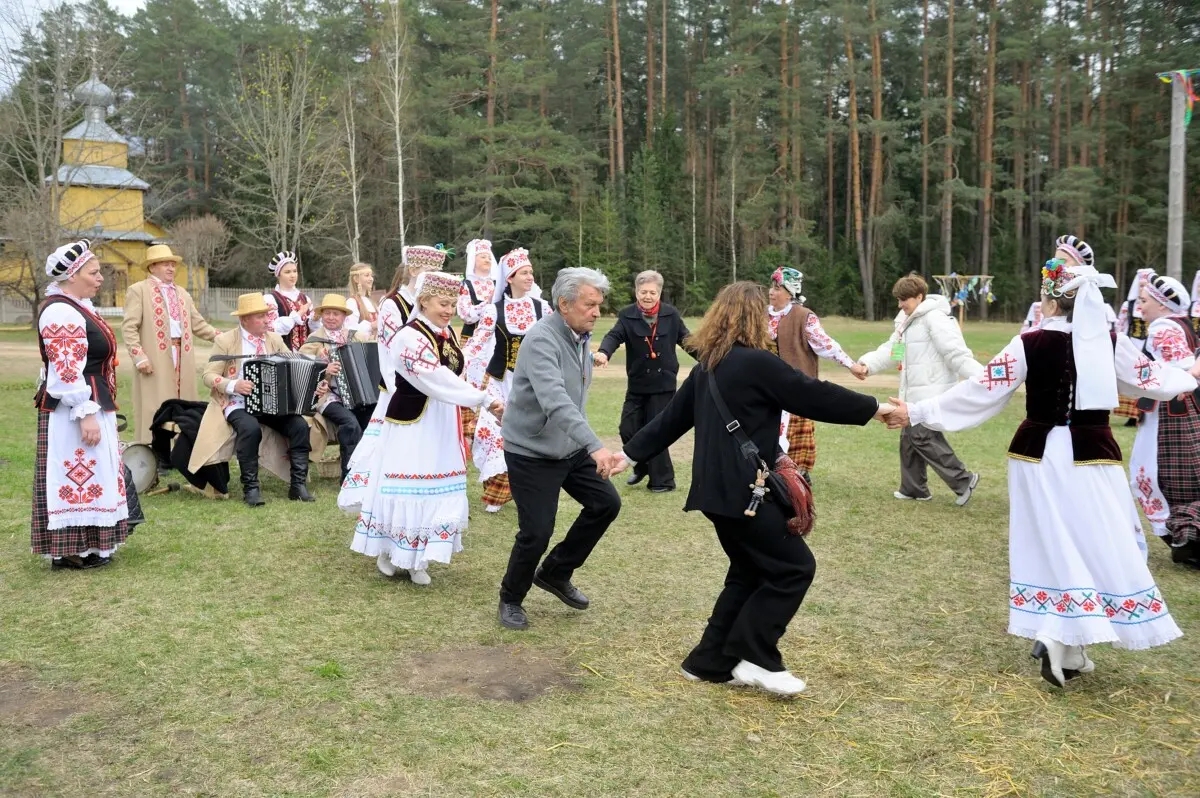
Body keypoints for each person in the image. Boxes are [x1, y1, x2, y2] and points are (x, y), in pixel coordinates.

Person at [885, 259, 1193, 688]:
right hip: (1092, 454)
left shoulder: (1028, 341)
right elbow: (1153, 379)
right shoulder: (1108, 341)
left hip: (1035, 454)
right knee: (1096, 539)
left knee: (1052, 541)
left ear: (1050, 300)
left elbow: (982, 391)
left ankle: (1064, 640)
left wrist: (917, 410)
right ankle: (1062, 639)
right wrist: (1188, 373)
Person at [612, 282, 891, 697]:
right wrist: (877, 407)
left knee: (747, 573)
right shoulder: (758, 363)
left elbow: (670, 420)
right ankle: (756, 655)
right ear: (754, 317)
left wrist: (629, 454)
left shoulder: (708, 364)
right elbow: (813, 395)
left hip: (714, 493)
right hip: (747, 493)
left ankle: (709, 662)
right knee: (793, 569)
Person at [347, 272, 504, 586]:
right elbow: (434, 378)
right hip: (413, 423)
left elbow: (454, 376)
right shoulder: (409, 336)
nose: (448, 310)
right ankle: (390, 552)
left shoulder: (444, 335)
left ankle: (419, 558)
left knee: (436, 487)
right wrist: (482, 398)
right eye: (442, 303)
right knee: (408, 485)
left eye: (452, 304)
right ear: (424, 301)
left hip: (441, 421)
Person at [497, 267, 621, 631]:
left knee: (606, 503)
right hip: (531, 451)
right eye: (589, 304)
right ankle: (510, 598)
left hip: (568, 449)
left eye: (599, 304)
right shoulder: (541, 340)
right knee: (537, 531)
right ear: (564, 304)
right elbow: (556, 401)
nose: (597, 312)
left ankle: (554, 572)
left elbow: (575, 403)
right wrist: (596, 446)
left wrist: (584, 445)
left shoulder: (580, 336)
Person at [32, 240, 131, 569]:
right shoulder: (61, 311)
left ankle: (89, 545)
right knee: (76, 473)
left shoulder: (78, 306)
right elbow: (64, 369)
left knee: (93, 474)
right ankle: (71, 549)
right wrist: (84, 412)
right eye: (94, 272)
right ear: (72, 276)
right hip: (73, 408)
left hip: (90, 400)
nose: (100, 277)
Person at [852, 274, 983, 505]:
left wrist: (982, 378)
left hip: (932, 394)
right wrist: (868, 365)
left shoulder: (936, 319)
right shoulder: (905, 322)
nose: (900, 304)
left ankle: (964, 480)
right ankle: (914, 489)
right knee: (908, 438)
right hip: (912, 395)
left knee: (921, 436)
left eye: (905, 300)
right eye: (899, 300)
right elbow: (894, 352)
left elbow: (956, 353)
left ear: (919, 297)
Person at [339, 244, 448, 511]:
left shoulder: (427, 305)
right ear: (413, 270)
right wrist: (399, 389)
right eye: (429, 270)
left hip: (427, 387)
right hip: (400, 388)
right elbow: (388, 352)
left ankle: (424, 503)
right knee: (395, 450)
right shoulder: (392, 304)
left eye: (437, 271)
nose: (434, 277)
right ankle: (387, 505)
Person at [189, 293, 314, 506]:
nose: (267, 320)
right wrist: (233, 385)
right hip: (238, 402)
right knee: (250, 428)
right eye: (259, 317)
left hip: (272, 403)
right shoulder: (225, 340)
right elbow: (208, 375)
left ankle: (298, 485)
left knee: (300, 426)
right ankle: (251, 488)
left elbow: (292, 365)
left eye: (267, 315)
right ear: (243, 320)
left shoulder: (274, 339)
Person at [1126, 273, 1200, 568]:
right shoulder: (1180, 324)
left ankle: (1187, 535)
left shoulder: (1162, 327)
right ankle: (1186, 537)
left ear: (1161, 303)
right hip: (1175, 411)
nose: (1139, 308)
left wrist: (1176, 383)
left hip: (1170, 415)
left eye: (1144, 301)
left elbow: (1184, 369)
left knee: (1153, 477)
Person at [594, 270, 691, 493]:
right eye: (643, 292)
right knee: (627, 428)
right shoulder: (627, 315)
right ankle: (641, 463)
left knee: (656, 430)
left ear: (660, 293)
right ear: (636, 292)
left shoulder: (671, 314)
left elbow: (687, 341)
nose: (647, 296)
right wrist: (603, 352)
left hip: (663, 384)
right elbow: (614, 336)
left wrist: (710, 358)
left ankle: (663, 481)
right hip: (637, 383)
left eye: (652, 292)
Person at [471, 249, 552, 513]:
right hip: (501, 380)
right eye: (525, 273)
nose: (530, 277)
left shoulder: (543, 308)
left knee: (530, 435)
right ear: (510, 277)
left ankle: (528, 490)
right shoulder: (493, 311)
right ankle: (497, 493)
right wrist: (457, 364)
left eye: (531, 272)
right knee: (492, 433)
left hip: (533, 384)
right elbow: (478, 343)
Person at [122, 244, 218, 452]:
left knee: (183, 402)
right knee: (155, 404)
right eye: (166, 264)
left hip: (182, 355)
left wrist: (222, 337)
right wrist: (140, 357)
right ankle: (156, 451)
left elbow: (198, 324)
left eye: (173, 265)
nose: (171, 269)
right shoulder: (138, 291)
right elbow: (130, 327)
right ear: (152, 267)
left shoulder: (182, 293)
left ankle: (181, 450)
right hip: (155, 355)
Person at [764, 266, 857, 480]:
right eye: (772, 286)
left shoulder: (804, 316)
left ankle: (797, 475)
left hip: (795, 387)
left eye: (777, 288)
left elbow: (826, 345)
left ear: (790, 292)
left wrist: (851, 365)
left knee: (796, 436)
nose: (771, 291)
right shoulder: (761, 315)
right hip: (766, 388)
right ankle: (770, 471)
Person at [300, 294, 374, 482]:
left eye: (336, 314)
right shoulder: (314, 339)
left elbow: (367, 362)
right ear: (322, 315)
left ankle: (367, 473)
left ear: (344, 317)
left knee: (372, 420)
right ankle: (348, 476)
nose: (331, 317)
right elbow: (301, 368)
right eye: (327, 313)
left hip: (357, 394)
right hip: (327, 396)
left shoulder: (356, 336)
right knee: (350, 423)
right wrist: (325, 369)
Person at [1116, 267, 1155, 426]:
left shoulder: (1154, 304)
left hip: (1148, 344)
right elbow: (1121, 324)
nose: (1143, 288)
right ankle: (1131, 415)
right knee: (1131, 377)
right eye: (1141, 285)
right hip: (1132, 343)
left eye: (1146, 286)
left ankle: (1144, 411)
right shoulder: (1129, 304)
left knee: (1147, 378)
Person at [262, 251, 314, 351]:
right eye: (287, 272)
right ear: (278, 275)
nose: (293, 275)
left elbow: (313, 330)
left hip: (307, 355)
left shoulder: (305, 299)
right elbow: (272, 330)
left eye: (294, 271)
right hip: (282, 354)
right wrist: (297, 315)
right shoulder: (270, 299)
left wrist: (315, 319)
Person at [345, 262, 379, 337]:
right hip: (361, 347)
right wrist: (371, 326)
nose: (371, 279)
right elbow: (349, 332)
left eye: (371, 276)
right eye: (367, 275)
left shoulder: (371, 302)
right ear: (356, 279)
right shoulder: (352, 303)